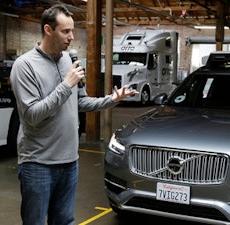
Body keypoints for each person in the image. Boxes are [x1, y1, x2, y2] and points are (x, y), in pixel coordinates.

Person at [10, 4, 138, 225]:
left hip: (70, 162)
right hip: (38, 163)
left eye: (72, 30)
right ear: (48, 30)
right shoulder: (25, 66)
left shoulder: (67, 60)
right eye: (65, 31)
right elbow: (32, 115)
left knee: (65, 220)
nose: (71, 37)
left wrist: (111, 100)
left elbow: (79, 101)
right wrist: (66, 85)